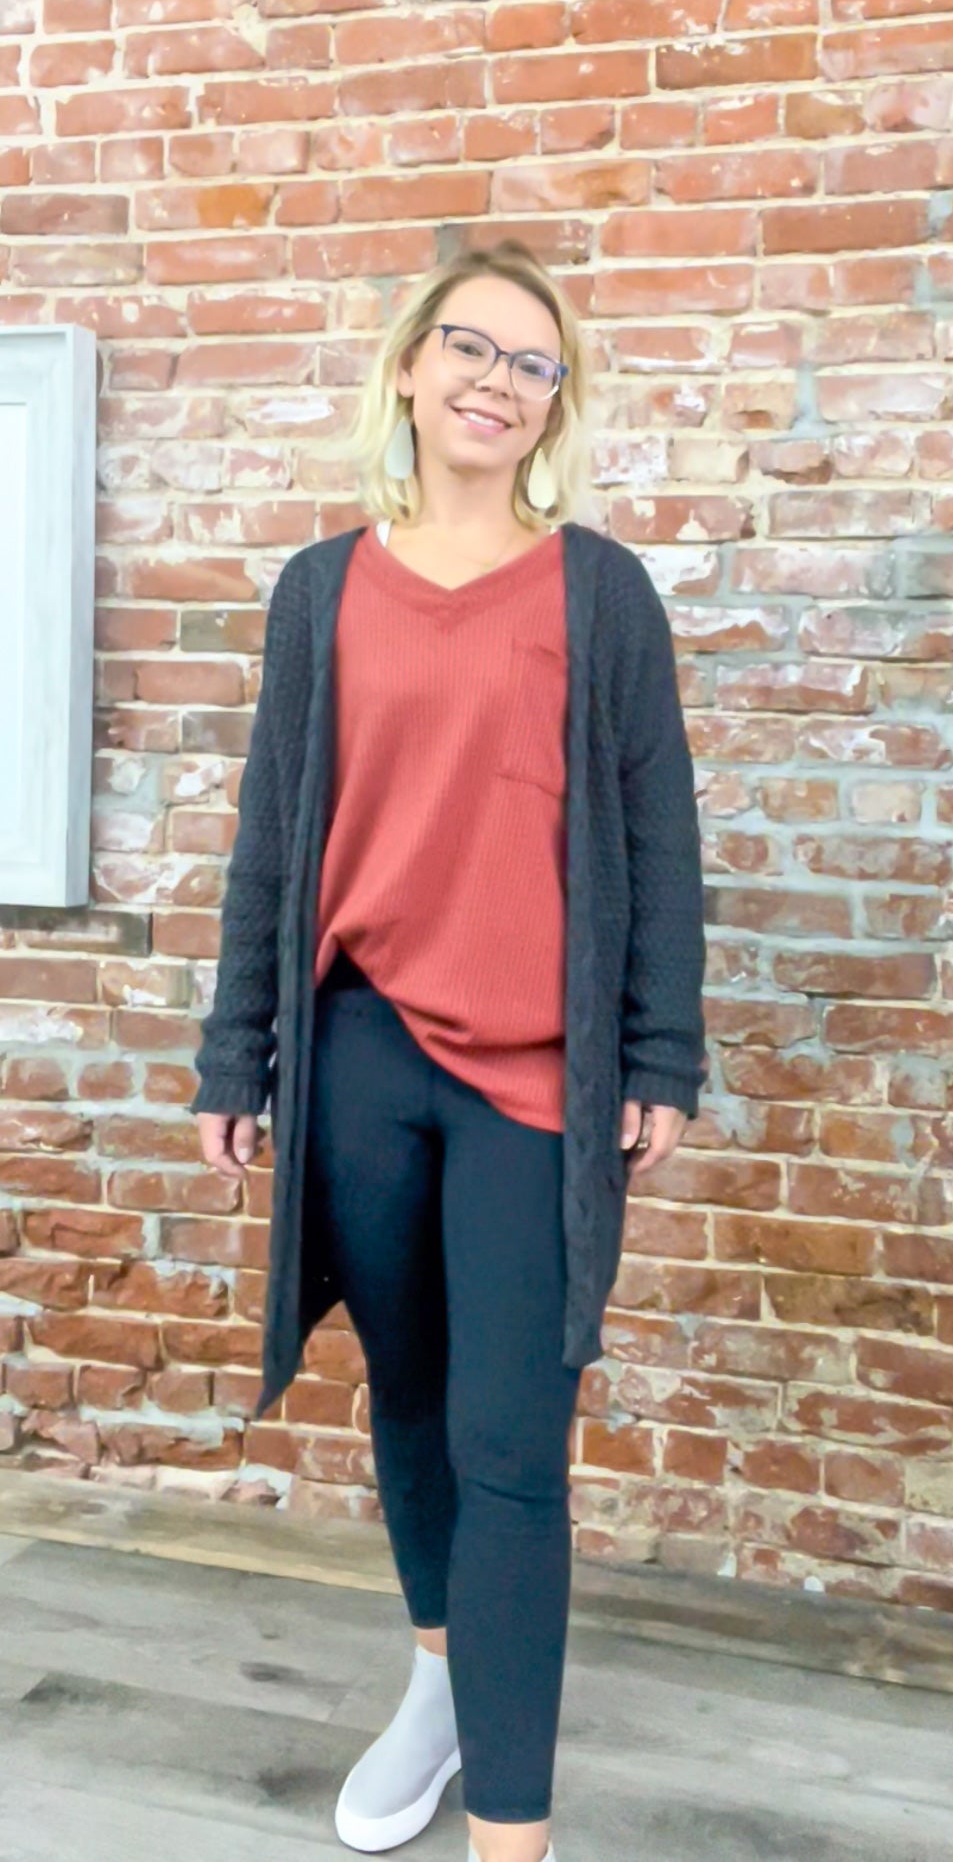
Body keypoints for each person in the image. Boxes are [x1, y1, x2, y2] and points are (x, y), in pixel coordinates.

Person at [190, 239, 708, 1862]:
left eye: (531, 364)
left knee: (512, 1446)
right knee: (405, 1402)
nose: (495, 380)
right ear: (410, 369)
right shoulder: (321, 589)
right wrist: (237, 1053)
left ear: (555, 406)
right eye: (470, 348)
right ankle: (436, 1685)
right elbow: (276, 838)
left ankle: (511, 1834)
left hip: (533, 1085)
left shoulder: (597, 590)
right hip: (356, 1053)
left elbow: (658, 835)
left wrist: (662, 1055)